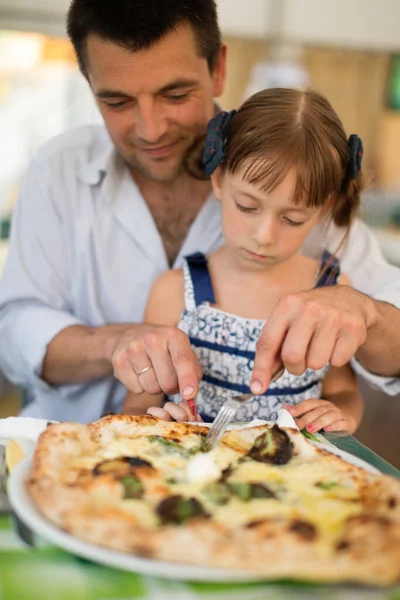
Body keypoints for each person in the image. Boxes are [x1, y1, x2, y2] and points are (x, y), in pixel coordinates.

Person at [0, 0, 399, 423]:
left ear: (219, 68)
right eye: (117, 102)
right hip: (72, 446)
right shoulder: (59, 168)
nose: (151, 129)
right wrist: (117, 343)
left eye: (175, 94)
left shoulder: (301, 174)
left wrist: (367, 314)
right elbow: (14, 330)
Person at [122, 89, 364, 434]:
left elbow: (344, 391)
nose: (264, 235)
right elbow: (136, 404)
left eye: (292, 219)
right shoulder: (174, 291)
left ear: (323, 209)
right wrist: (155, 422)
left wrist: (340, 414)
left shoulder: (331, 294)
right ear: (219, 180)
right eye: (247, 207)